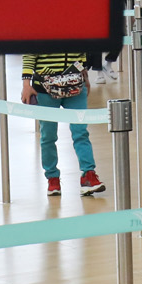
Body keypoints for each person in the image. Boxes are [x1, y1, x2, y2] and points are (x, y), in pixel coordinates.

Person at [23, 49, 104, 198]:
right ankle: (52, 178)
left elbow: (82, 53)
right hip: (44, 89)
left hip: (75, 87)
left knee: (81, 132)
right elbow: (29, 54)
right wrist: (26, 85)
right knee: (48, 135)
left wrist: (85, 77)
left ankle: (88, 174)